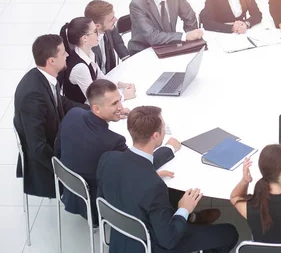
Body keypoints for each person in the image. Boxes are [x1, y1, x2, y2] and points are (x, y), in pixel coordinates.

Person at [97, 106, 239, 253]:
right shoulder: (153, 186)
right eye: (163, 127)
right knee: (230, 233)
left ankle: (191, 219)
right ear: (156, 136)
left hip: (121, 235)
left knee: (171, 199)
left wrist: (147, 176)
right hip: (153, 244)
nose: (164, 129)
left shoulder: (108, 158)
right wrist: (184, 208)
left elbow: (105, 196)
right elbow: (169, 240)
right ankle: (188, 217)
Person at [54, 79, 179, 225]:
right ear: (97, 109)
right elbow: (139, 166)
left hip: (70, 190)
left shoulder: (73, 114)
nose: (120, 106)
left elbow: (58, 148)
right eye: (114, 104)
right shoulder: (112, 141)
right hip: (98, 204)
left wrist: (132, 117)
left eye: (119, 100)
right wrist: (169, 148)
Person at [14, 34, 88, 198]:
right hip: (46, 161)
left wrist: (94, 111)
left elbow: (62, 102)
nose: (68, 55)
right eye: (63, 53)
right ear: (51, 61)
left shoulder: (45, 77)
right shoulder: (32, 97)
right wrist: (65, 171)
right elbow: (38, 148)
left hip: (56, 138)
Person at [59, 17, 136, 104]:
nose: (98, 34)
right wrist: (122, 96)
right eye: (95, 31)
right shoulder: (80, 68)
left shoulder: (89, 53)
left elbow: (100, 78)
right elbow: (94, 99)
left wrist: (121, 84)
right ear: (84, 38)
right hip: (84, 110)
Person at [85, 0, 130, 74]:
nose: (115, 19)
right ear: (97, 26)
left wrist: (127, 60)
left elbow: (118, 42)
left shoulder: (109, 27)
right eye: (111, 19)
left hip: (110, 72)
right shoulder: (87, 45)